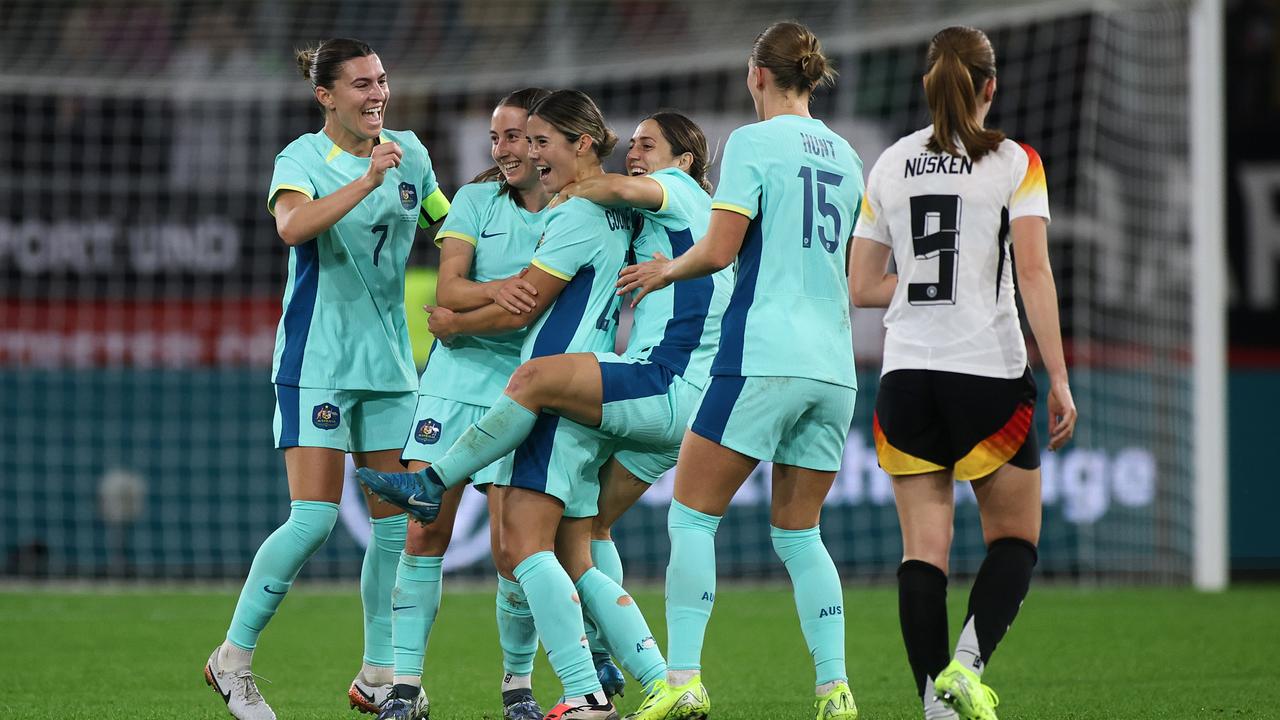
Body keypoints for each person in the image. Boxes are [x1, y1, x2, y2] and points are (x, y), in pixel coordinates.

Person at [362, 110, 731, 704]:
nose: (529, 155)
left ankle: (580, 694)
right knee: (578, 547)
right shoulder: (633, 220)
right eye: (514, 140)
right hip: (620, 393)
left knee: (522, 547)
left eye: (539, 142)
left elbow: (523, 306)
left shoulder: (602, 205)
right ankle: (657, 679)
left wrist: (457, 321)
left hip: (595, 391)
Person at [613, 21, 863, 720]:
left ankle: (685, 680)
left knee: (692, 518)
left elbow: (721, 251)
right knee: (799, 534)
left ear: (757, 74)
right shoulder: (846, 155)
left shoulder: (752, 143)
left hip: (763, 356)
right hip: (834, 367)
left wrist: (666, 270)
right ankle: (835, 688)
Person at [201, 38, 450, 720]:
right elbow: (291, 227)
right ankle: (233, 659)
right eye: (362, 84)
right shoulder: (302, 159)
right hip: (318, 364)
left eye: (382, 80)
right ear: (326, 96)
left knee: (395, 528)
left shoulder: (411, 152)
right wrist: (366, 181)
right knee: (312, 518)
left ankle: (377, 673)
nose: (378, 94)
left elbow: (447, 229)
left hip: (393, 367)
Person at [847, 25, 1077, 720]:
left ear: (927, 85)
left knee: (924, 550)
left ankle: (932, 705)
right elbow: (1033, 272)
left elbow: (861, 285)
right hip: (987, 372)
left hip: (907, 374)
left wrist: (920, 284)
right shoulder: (1015, 161)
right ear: (991, 86)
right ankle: (967, 668)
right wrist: (1060, 377)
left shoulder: (888, 163)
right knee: (1014, 540)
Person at [374, 88, 551, 720]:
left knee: (514, 550)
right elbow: (448, 286)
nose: (502, 149)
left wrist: (463, 319)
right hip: (449, 389)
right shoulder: (474, 201)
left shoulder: (573, 214)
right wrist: (499, 293)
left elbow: (535, 310)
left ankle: (517, 689)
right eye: (496, 137)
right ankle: (403, 688)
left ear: (545, 143)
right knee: (425, 532)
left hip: (524, 389)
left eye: (516, 137)